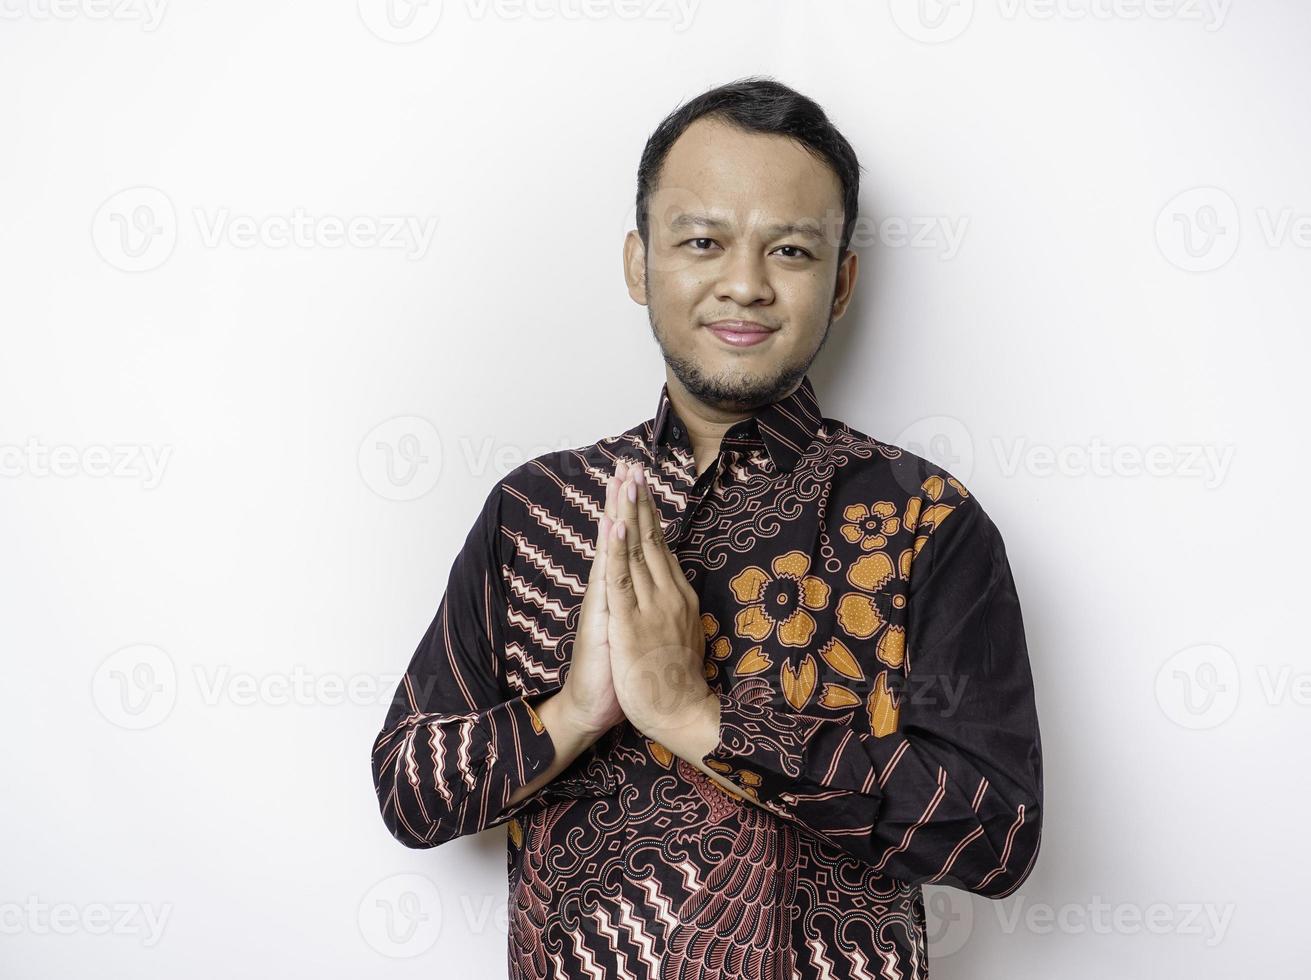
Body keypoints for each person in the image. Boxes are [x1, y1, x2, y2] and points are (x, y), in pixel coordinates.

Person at [371, 75, 1043, 980]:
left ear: (841, 282)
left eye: (792, 252)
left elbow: (996, 835)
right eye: (702, 241)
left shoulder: (925, 520)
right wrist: (574, 713)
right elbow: (413, 793)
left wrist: (701, 719)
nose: (746, 284)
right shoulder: (536, 513)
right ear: (639, 262)